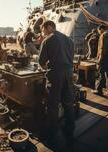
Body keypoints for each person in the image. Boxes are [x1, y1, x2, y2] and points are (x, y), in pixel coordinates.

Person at [39, 20, 75, 150]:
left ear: (49, 27)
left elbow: (41, 61)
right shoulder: (69, 39)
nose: (43, 33)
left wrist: (47, 65)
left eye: (43, 30)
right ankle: (70, 131)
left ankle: (52, 134)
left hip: (56, 75)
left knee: (53, 105)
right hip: (69, 74)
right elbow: (71, 57)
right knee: (68, 103)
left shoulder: (48, 39)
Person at [96, 25, 108, 97]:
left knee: (101, 73)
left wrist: (99, 60)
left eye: (98, 31)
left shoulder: (103, 35)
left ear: (101, 29)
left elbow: (102, 48)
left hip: (105, 57)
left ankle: (99, 90)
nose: (99, 32)